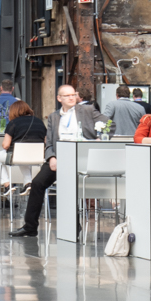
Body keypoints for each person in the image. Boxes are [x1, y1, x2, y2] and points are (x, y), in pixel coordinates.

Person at [15, 83, 102, 237]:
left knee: (68, 186)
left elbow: (109, 123)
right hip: (59, 158)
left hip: (80, 158)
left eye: (73, 94)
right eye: (67, 95)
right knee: (37, 183)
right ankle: (30, 227)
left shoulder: (86, 110)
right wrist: (51, 157)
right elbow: (48, 143)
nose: (71, 97)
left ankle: (74, 227)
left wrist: (101, 137)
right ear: (59, 98)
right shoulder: (54, 117)